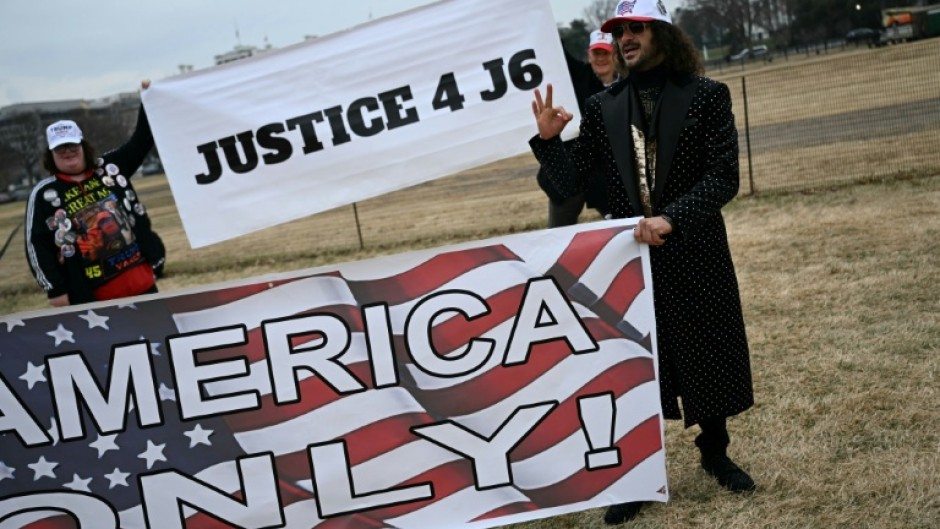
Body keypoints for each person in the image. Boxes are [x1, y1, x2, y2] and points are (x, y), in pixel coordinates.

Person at [529, 0, 756, 524]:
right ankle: (635, 474)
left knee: (705, 349)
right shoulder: (602, 106)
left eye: (636, 28)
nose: (626, 37)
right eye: (619, 30)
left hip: (694, 245)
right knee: (635, 363)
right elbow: (569, 185)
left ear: (663, 35)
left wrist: (672, 218)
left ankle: (715, 451)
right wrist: (548, 142)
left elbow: (724, 177)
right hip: (628, 259)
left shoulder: (707, 97)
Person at [25, 80, 166, 307]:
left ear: (83, 146)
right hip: (95, 301)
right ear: (51, 155)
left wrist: (148, 98)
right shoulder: (43, 194)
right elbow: (37, 244)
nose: (68, 151)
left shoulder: (110, 167)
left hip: (143, 284)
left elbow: (142, 140)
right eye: (60, 148)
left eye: (72, 144)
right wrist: (55, 290)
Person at [538, 29, 622, 228]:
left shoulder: (627, 85)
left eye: (606, 53)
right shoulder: (577, 75)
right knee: (557, 239)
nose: (601, 59)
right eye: (596, 53)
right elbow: (555, 50)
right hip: (569, 173)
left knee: (623, 229)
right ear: (588, 55)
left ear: (615, 55)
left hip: (607, 179)